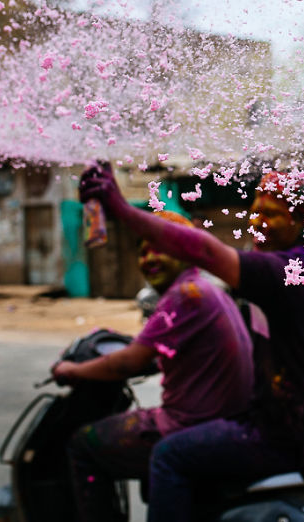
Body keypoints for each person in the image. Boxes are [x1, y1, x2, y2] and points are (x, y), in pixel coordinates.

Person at [79, 164, 304, 522]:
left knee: (169, 455)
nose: (258, 222)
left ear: (303, 221)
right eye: (255, 212)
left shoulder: (290, 272)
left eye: (272, 214)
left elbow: (209, 253)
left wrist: (120, 210)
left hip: (293, 435)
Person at [51, 210, 254, 522]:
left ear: (187, 249)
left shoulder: (185, 294)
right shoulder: (211, 290)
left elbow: (128, 362)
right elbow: (167, 354)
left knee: (83, 446)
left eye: (160, 247)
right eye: (143, 251)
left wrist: (71, 371)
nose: (149, 258)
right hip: (223, 421)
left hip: (189, 425)